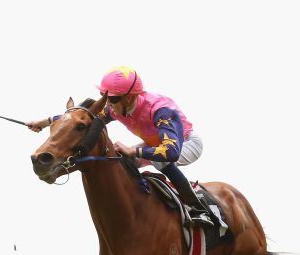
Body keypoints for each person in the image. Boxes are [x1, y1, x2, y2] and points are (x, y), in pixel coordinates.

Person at [28, 66, 213, 226]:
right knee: (124, 160)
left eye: (113, 99)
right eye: (105, 96)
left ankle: (197, 208)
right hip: (155, 142)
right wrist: (43, 122)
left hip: (186, 144)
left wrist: (134, 150)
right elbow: (80, 118)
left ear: (131, 97)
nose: (108, 103)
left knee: (158, 161)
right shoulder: (117, 107)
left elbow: (171, 152)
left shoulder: (161, 109)